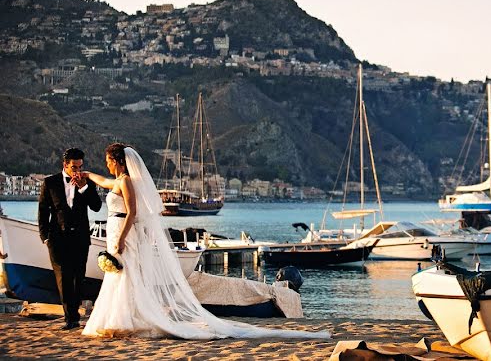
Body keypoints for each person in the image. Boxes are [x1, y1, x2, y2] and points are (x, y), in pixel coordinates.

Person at [81, 143, 329, 339]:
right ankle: (118, 319)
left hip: (122, 234)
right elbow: (104, 181)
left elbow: (133, 213)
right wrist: (87, 175)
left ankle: (123, 320)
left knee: (126, 277)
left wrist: (122, 238)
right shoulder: (119, 180)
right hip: (116, 232)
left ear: (116, 161)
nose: (107, 166)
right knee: (119, 277)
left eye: (107, 162)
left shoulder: (126, 181)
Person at [37, 148, 103, 330]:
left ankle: (75, 314)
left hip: (80, 237)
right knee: (63, 278)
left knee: (77, 278)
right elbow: (43, 212)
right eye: (74, 167)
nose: (77, 171)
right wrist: (45, 237)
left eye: (80, 167)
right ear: (65, 165)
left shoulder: (87, 182)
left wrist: (83, 187)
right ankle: (70, 318)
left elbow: (97, 206)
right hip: (57, 238)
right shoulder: (50, 182)